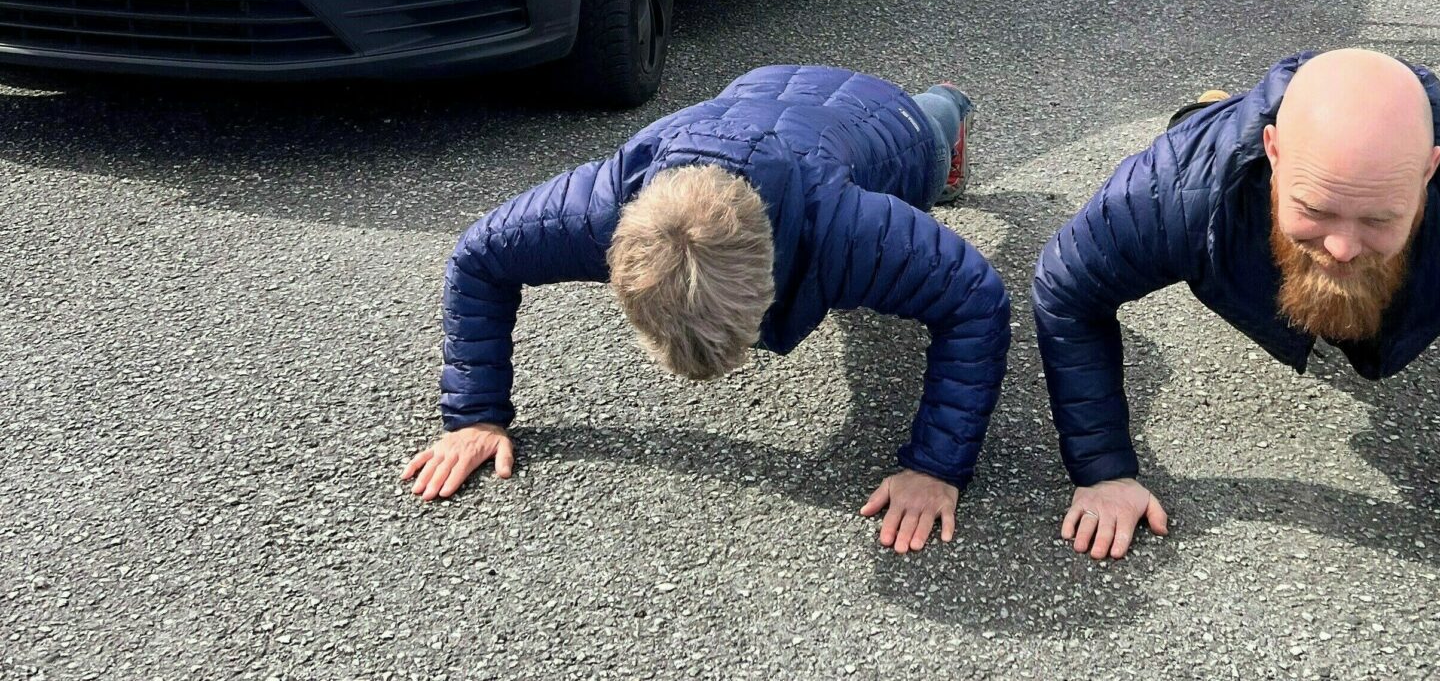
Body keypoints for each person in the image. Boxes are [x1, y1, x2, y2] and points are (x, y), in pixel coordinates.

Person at [1033, 48, 1440, 584]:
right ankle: (1207, 113)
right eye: (1316, 208)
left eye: (1378, 218)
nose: (1342, 247)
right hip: (1220, 165)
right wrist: (1103, 472)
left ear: (1430, 170)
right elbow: (1069, 289)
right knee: (1203, 133)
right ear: (1274, 152)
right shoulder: (1175, 184)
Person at [402, 65, 1010, 555]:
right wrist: (474, 416)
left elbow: (974, 299)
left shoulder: (845, 230)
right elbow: (479, 257)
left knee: (933, 128)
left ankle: (946, 104)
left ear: (775, 273)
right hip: (754, 91)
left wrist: (935, 469)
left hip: (883, 120)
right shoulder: (602, 209)